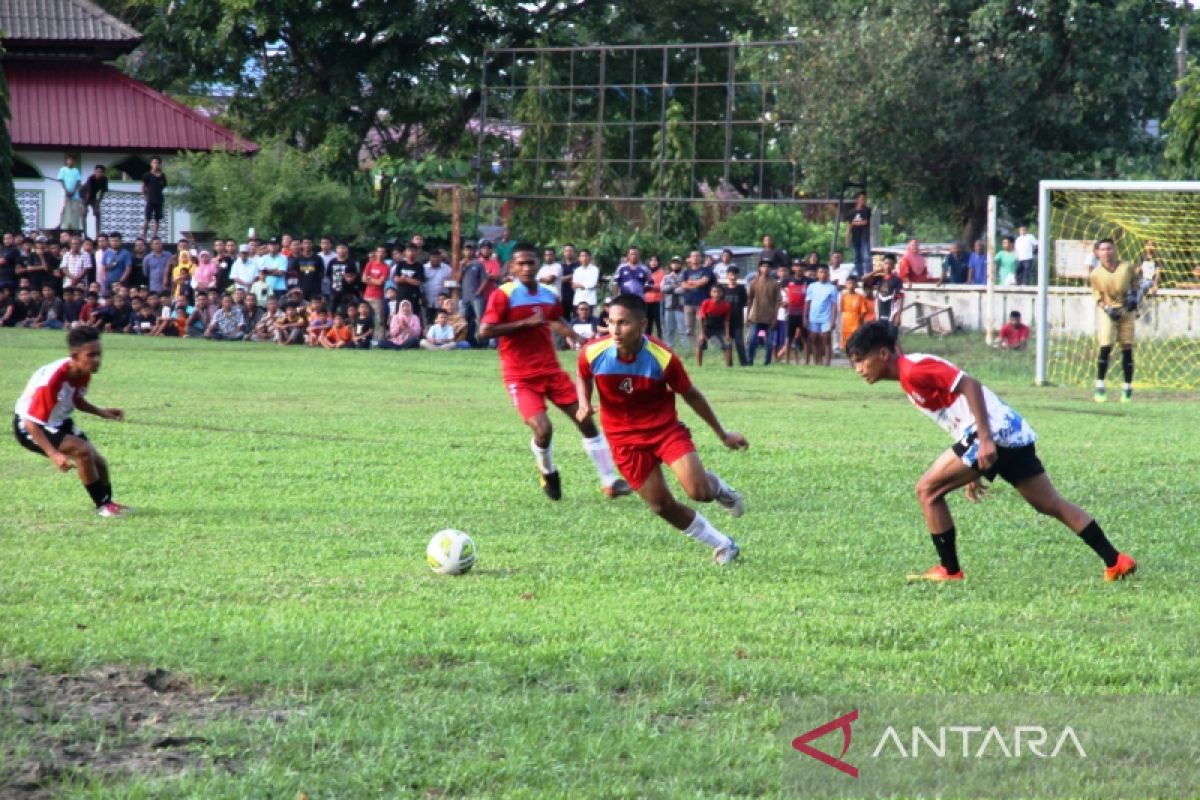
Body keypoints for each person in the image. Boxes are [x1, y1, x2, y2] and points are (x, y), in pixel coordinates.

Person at [845, 320, 1136, 583]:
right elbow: (957, 411)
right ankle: (1116, 560)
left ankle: (949, 570)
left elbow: (970, 385)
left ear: (883, 354)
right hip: (1006, 433)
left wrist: (984, 440)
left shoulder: (913, 368)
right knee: (1050, 504)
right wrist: (973, 469)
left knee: (927, 491)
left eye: (860, 360)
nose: (858, 369)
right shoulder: (909, 376)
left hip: (992, 432)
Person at [575, 294, 746, 565]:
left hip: (663, 431)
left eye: (624, 323)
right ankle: (724, 545)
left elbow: (691, 394)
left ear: (642, 324)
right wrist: (584, 403)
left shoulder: (662, 358)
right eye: (611, 322)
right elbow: (583, 376)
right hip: (624, 440)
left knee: (698, 491)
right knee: (660, 505)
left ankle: (720, 489)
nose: (615, 331)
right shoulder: (593, 352)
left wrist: (723, 434)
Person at [477, 242, 631, 501]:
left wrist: (577, 339)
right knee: (543, 429)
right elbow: (484, 332)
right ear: (512, 267)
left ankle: (609, 480)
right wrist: (526, 322)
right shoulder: (503, 294)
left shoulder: (548, 293)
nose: (526, 267)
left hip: (551, 371)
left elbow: (555, 319)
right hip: (519, 375)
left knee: (585, 419)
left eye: (530, 263)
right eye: (521, 263)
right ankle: (547, 471)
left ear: (538, 265)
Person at [13, 326, 130, 517]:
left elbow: (75, 399)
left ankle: (108, 503)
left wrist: (102, 412)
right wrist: (53, 454)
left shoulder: (82, 371)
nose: (97, 360)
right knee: (83, 452)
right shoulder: (52, 380)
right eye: (91, 355)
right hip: (32, 426)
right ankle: (102, 507)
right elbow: (30, 423)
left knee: (99, 462)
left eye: (99, 354)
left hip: (58, 421)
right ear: (75, 356)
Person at [1088, 238, 1137, 403]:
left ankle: (1127, 388)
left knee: (1127, 346)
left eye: (1109, 249)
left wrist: (1134, 297)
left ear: (1115, 250)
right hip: (1108, 311)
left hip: (1126, 310)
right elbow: (1097, 297)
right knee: (1106, 345)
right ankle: (1100, 385)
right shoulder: (1095, 274)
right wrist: (1107, 308)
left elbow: (1136, 284)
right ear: (1097, 253)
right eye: (1102, 250)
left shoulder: (1127, 267)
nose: (1106, 252)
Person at [745, 259, 781, 365]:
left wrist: (775, 318)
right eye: (763, 266)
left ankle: (767, 362)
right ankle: (750, 360)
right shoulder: (754, 282)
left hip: (770, 317)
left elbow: (777, 302)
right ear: (759, 268)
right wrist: (747, 315)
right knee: (752, 340)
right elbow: (750, 300)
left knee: (769, 343)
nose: (766, 269)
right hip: (756, 316)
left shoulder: (775, 284)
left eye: (768, 267)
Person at [805, 264, 839, 366]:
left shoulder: (832, 288)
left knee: (826, 339)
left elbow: (834, 305)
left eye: (825, 272)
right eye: (820, 272)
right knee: (814, 339)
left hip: (826, 318)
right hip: (813, 317)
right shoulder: (811, 286)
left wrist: (833, 320)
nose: (823, 274)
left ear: (828, 274)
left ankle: (827, 363)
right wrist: (805, 317)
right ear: (817, 274)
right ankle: (817, 361)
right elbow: (807, 303)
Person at [680, 250, 715, 350]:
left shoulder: (706, 270)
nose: (695, 257)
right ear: (690, 259)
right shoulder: (686, 272)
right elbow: (683, 285)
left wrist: (691, 283)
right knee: (689, 328)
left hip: (702, 303)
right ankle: (693, 348)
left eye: (697, 256)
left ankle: (705, 347)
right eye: (693, 256)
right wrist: (695, 283)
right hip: (688, 303)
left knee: (703, 326)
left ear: (700, 258)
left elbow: (704, 281)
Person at [696, 284, 733, 368]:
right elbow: (701, 319)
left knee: (728, 343)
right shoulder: (706, 303)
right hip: (707, 327)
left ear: (722, 293)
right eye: (714, 292)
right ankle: (699, 366)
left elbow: (726, 321)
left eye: (718, 292)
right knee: (700, 343)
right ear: (711, 293)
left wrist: (727, 334)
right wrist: (702, 333)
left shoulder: (726, 305)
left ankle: (728, 366)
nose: (716, 294)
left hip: (719, 328)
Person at [722, 267, 748, 366]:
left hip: (738, 320)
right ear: (727, 275)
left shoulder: (741, 289)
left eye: (735, 274)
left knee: (739, 343)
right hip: (726, 321)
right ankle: (729, 363)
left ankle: (744, 363)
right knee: (727, 343)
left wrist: (746, 317)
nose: (732, 276)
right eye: (730, 274)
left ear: (738, 276)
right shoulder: (724, 290)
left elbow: (745, 304)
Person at [844, 191, 872, 278]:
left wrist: (855, 223)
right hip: (855, 237)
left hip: (864, 236)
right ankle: (859, 275)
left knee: (866, 256)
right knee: (857, 256)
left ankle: (868, 274)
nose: (863, 201)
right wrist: (847, 238)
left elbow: (865, 222)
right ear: (857, 200)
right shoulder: (851, 212)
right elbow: (849, 225)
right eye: (861, 199)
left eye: (864, 199)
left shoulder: (866, 210)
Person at [839, 275, 870, 352]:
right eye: (849, 283)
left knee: (855, 340)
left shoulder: (859, 297)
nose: (851, 285)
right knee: (846, 341)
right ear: (846, 285)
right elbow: (841, 310)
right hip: (846, 322)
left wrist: (860, 321)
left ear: (856, 285)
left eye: (853, 283)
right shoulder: (843, 296)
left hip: (855, 321)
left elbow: (863, 311)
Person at [141, 157, 168, 240]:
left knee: (157, 219)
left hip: (159, 200)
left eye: (157, 163)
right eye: (154, 162)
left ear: (159, 164)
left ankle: (154, 236)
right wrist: (146, 196)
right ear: (151, 164)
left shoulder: (162, 175)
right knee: (147, 219)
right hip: (150, 199)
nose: (155, 164)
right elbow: (143, 187)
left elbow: (164, 185)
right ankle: (144, 236)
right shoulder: (147, 175)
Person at [81, 165, 109, 239]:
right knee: (84, 213)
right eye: (97, 172)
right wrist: (85, 206)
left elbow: (102, 192)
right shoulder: (91, 178)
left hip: (93, 196)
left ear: (103, 173)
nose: (99, 173)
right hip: (84, 195)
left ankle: (97, 235)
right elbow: (88, 193)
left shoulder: (104, 179)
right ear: (95, 172)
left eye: (101, 172)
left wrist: (98, 203)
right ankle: (85, 234)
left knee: (97, 213)